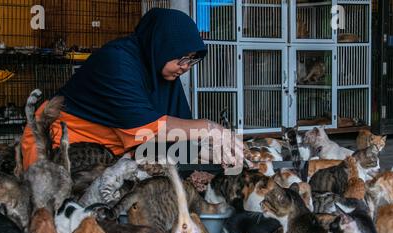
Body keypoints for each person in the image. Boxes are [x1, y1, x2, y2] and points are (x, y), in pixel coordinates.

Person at [21, 8, 242, 170]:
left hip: (107, 152)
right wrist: (210, 128)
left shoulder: (160, 73)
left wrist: (202, 155)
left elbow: (172, 134)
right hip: (57, 147)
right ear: (162, 46)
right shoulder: (116, 62)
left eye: (192, 61)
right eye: (183, 58)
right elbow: (144, 131)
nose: (185, 67)